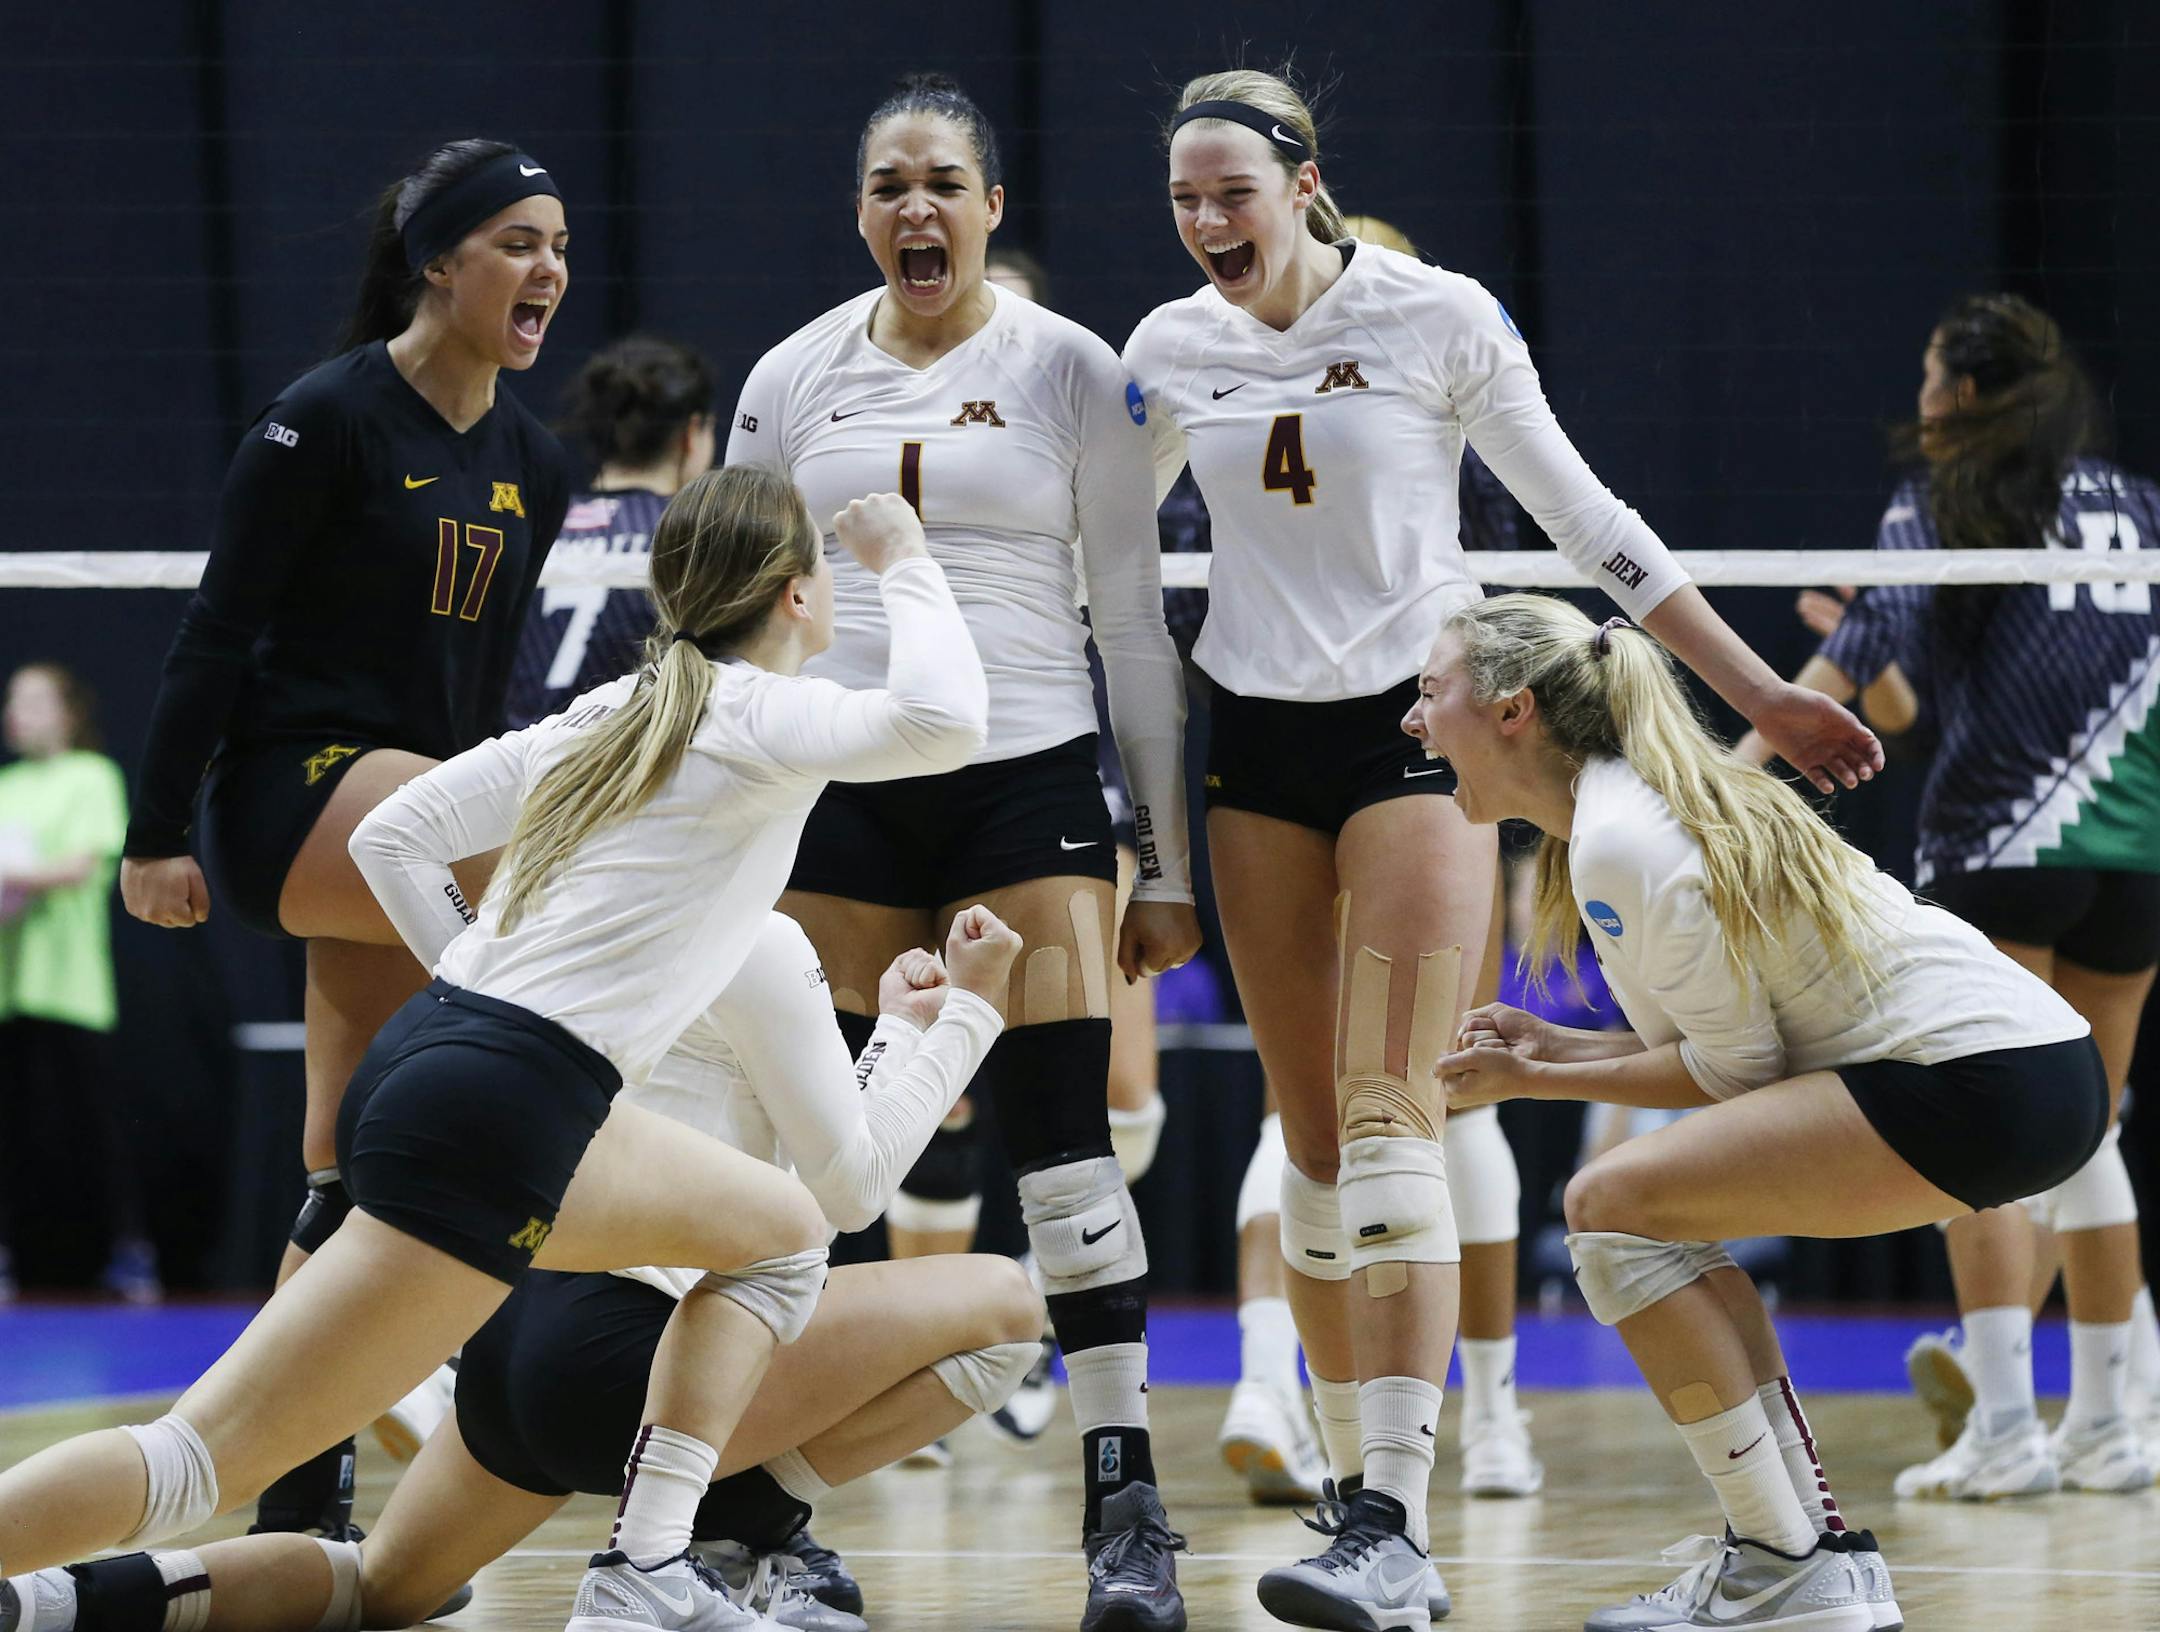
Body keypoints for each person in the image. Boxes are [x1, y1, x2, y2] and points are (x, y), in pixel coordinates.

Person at [1121, 67, 1881, 1631]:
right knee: (1317, 1149)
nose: (1206, 225)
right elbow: (1102, 576)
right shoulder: (1165, 349)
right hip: (1250, 752)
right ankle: (1355, 1503)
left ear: (1303, 181)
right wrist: (1136, 827)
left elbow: (1594, 524)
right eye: (1184, 201)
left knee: (1401, 1117)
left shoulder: (1434, 315)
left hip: (1414, 740)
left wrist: (1767, 699)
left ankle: (1401, 1520)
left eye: (1232, 197)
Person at [0, 469, 989, 1632]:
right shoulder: (755, 713)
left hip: (428, 1058)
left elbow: (392, 835)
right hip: (504, 1098)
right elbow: (947, 718)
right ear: (798, 597)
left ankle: (647, 1568)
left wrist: (473, 985)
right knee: (788, 1242)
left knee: (191, 1458)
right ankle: (645, 1569)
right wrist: (905, 554)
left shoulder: (608, 712)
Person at [0, 915, 1040, 1632]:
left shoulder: (558, 904)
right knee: (1004, 1307)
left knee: (378, 1583)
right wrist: (972, 1015)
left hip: (511, 1320)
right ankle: (721, 1521)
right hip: (645, 1353)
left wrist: (898, 1032)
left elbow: (396, 839)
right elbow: (846, 1191)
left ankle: (53, 1604)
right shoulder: (757, 933)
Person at [726, 73, 1200, 1632]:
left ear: (992, 206)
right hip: (847, 780)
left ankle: (1126, 1510)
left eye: (943, 183)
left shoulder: (1077, 372)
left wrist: (1168, 854)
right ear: (862, 213)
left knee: (1061, 1144)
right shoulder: (791, 379)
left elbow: (1132, 623)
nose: (915, 208)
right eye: (887, 187)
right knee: (825, 1155)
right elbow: (732, 622)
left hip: (1029, 779)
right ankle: (768, 1510)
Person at [1412, 591, 2105, 1632]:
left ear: (1514, 712)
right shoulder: (1616, 817)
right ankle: (1805, 1553)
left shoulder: (1618, 840)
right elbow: (1730, 1052)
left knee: (1606, 1205)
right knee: (1647, 1216)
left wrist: (1542, 1079)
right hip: (2032, 1068)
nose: (1412, 722)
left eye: (1430, 692)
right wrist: (1559, 1047)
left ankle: (1786, 1558)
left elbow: (1734, 1075)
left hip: (1983, 1075)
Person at [115, 138, 575, 1536]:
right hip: (289, 798)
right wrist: (155, 833)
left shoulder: (531, 463)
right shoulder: (324, 417)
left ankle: (295, 1489)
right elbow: (216, 636)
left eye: (558, 245)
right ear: (439, 261)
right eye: (516, 242)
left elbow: (480, 696)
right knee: (568, 873)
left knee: (343, 1163)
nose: (547, 268)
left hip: (413, 813)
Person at [1737, 294, 2160, 1496]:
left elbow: (1856, 652)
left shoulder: (1943, 500)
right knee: (2091, 1133)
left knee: (1994, 1142)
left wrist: (1722, 779)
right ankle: (2113, 1429)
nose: (1918, 398)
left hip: (2006, 844)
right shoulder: (2138, 506)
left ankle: (2010, 1431)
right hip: (2135, 856)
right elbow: (1907, 703)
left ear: (1963, 394)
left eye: (1928, 375)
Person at [0, 664, 148, 1303]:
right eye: (13, 701)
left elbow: (83, 863)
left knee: (90, 1129)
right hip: (10, 989)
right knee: (15, 1132)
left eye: (34, 701)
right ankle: (17, 1255)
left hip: (71, 988)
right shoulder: (7, 784)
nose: (18, 712)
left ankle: (125, 1253)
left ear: (68, 713)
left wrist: (17, 878)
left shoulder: (94, 776)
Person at [507, 334, 718, 730]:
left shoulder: (533, 525)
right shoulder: (694, 534)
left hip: (508, 760)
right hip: (617, 765)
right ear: (693, 433)